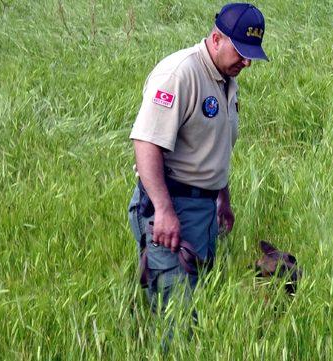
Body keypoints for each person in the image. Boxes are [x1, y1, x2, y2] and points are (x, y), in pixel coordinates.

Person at [127, 2, 268, 320]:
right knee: (180, 316)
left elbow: (214, 146)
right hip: (170, 205)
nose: (246, 62)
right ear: (216, 38)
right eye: (240, 52)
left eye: (251, 54)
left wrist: (223, 197)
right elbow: (146, 142)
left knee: (194, 301)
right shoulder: (180, 74)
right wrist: (163, 210)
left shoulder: (225, 78)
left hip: (203, 209)